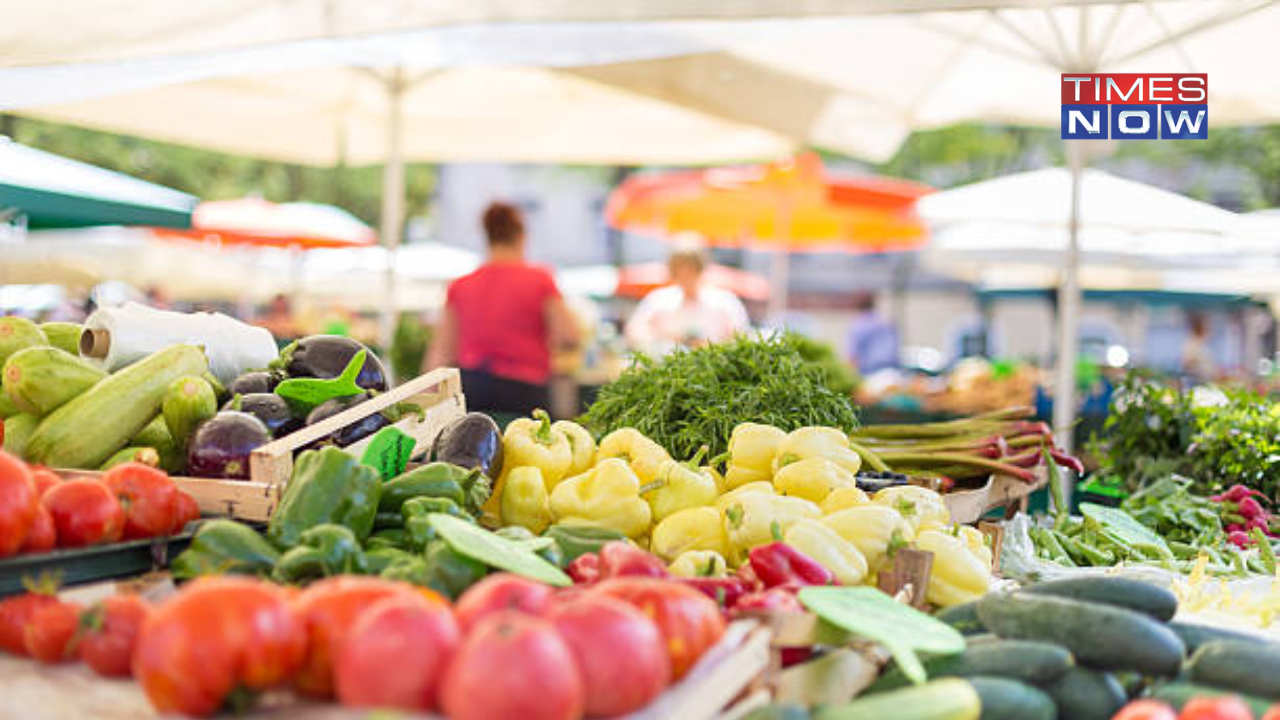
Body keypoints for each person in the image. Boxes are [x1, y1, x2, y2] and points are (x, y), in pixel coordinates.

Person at [425, 202, 579, 416]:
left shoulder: (461, 285)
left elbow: (441, 350)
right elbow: (569, 335)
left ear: (487, 236)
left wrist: (428, 401)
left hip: (473, 388)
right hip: (525, 390)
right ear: (521, 236)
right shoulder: (540, 280)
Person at [624, 236, 750, 354]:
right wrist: (667, 337)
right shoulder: (658, 300)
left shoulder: (725, 302)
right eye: (679, 268)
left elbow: (741, 337)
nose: (685, 274)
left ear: (700, 268)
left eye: (690, 268)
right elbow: (634, 331)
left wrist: (711, 346)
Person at [845, 291, 898, 374]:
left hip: (869, 373)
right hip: (891, 370)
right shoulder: (886, 321)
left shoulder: (858, 324)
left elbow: (853, 355)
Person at [1182, 311, 1216, 383]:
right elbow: (1187, 364)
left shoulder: (1201, 343)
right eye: (1207, 327)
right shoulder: (1192, 343)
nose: (1209, 330)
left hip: (1205, 380)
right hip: (1197, 381)